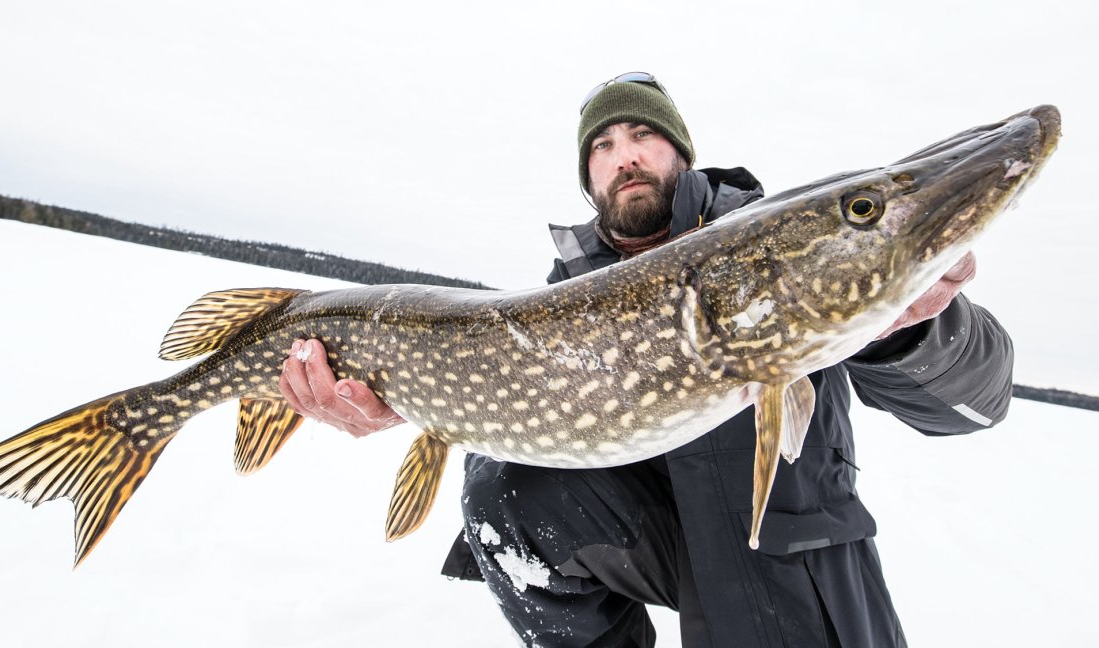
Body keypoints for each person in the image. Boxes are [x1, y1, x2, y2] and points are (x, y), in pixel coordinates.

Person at [279, 73, 1012, 647]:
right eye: (602, 147)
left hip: (799, 562)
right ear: (590, 179)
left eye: (640, 135)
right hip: (661, 545)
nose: (623, 155)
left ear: (679, 153)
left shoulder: (764, 243)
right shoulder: (558, 306)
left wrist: (905, 327)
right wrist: (402, 397)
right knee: (498, 488)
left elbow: (981, 398)